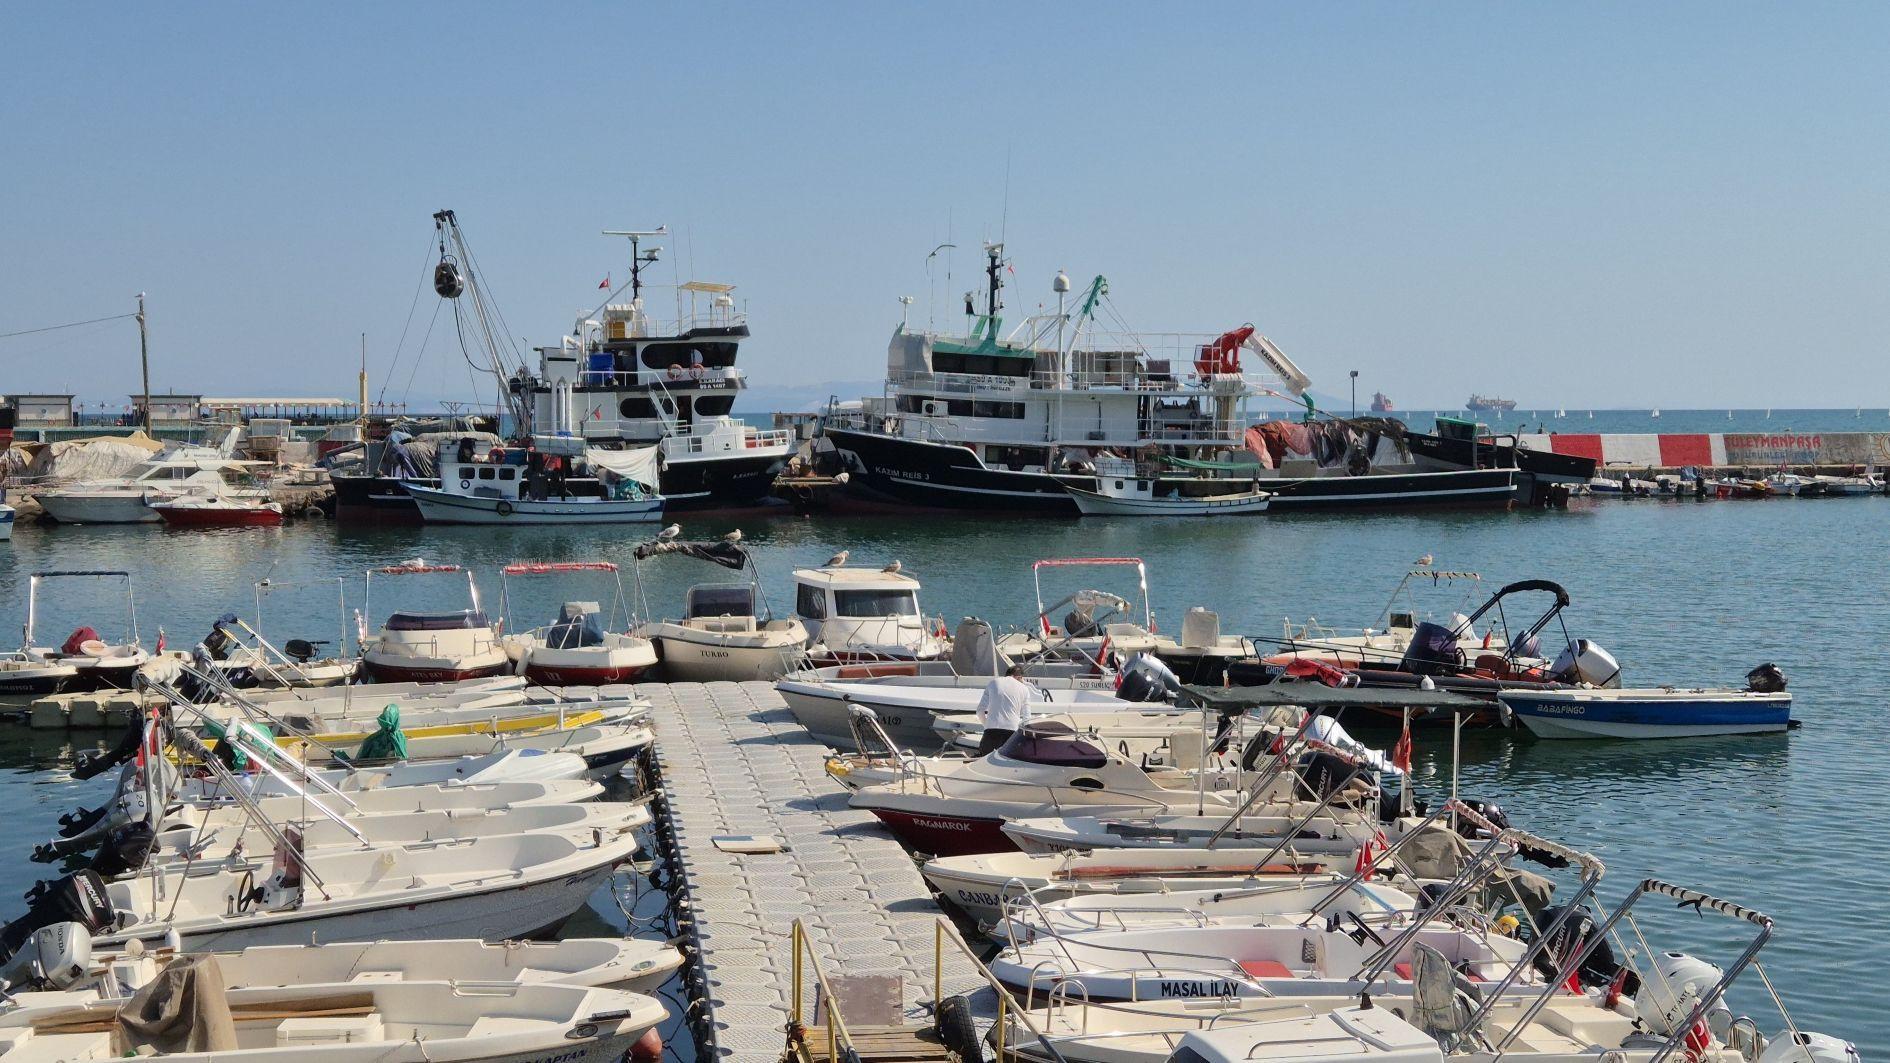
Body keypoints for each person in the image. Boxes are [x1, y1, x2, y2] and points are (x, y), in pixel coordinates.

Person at [974, 664, 1038, 755]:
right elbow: (1026, 719)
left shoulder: (993, 683)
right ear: (1019, 677)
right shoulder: (1024, 689)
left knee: (984, 763)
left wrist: (987, 725)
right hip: (1012, 732)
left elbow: (980, 711)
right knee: (1008, 765)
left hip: (990, 732)